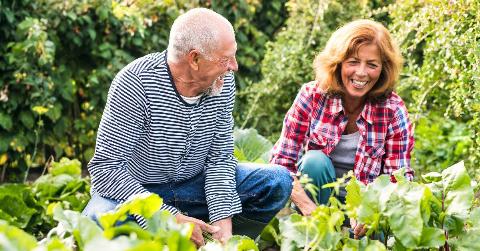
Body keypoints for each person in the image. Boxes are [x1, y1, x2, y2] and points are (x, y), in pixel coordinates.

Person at [82, 8, 292, 246]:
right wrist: (167, 217)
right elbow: (106, 169)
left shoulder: (221, 81)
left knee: (277, 181)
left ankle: (211, 241)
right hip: (139, 192)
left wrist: (223, 222)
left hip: (194, 188)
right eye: (226, 58)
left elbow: (220, 159)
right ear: (194, 59)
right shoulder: (136, 83)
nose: (234, 66)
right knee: (97, 220)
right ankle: (164, 238)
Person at [270, 19, 414, 239]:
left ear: (383, 69)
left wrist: (370, 211)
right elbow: (281, 164)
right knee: (314, 161)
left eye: (372, 65)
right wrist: (310, 210)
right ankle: (314, 238)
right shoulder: (312, 96)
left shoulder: (393, 110)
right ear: (338, 62)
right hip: (316, 203)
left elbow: (398, 179)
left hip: (364, 209)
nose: (362, 73)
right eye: (353, 61)